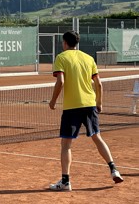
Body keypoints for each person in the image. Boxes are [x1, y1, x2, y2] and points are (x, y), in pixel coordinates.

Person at [49, 30, 123, 191]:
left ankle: (65, 181)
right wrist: (99, 102)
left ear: (64, 43)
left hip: (72, 107)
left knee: (66, 145)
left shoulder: (61, 57)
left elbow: (60, 81)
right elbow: (99, 84)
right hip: (90, 104)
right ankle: (113, 169)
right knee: (97, 137)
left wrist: (53, 101)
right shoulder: (89, 58)